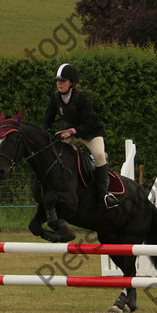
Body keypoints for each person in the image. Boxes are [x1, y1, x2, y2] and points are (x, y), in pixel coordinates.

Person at [41, 63, 119, 209]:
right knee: (59, 151)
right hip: (70, 132)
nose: (59, 84)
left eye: (63, 81)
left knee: (100, 155)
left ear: (72, 83)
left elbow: (89, 122)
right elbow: (47, 120)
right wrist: (44, 133)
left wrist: (72, 131)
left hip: (91, 132)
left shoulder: (82, 97)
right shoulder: (56, 97)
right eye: (58, 80)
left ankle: (104, 195)